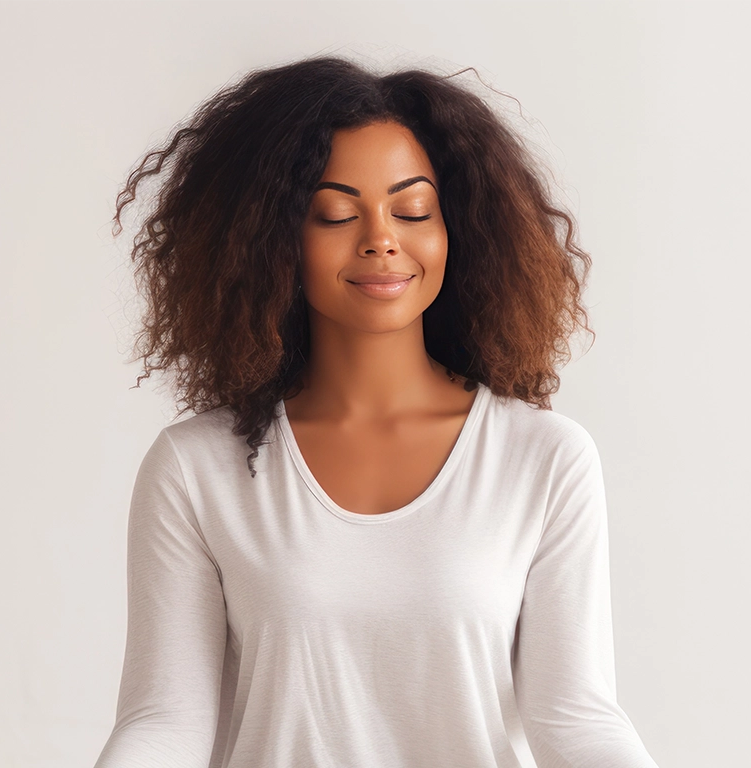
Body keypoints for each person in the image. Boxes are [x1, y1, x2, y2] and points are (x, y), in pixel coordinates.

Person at [92, 55, 660, 768]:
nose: (380, 237)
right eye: (334, 213)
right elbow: (166, 720)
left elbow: (575, 717)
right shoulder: (197, 468)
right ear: (274, 243)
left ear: (457, 228)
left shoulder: (544, 459)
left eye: (412, 209)